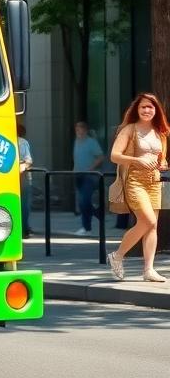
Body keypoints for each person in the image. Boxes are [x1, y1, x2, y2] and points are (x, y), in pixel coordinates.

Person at [106, 93, 169, 283]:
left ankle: (148, 270)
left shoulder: (160, 132)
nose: (147, 110)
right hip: (134, 181)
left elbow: (161, 158)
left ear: (156, 110)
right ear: (137, 109)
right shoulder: (129, 130)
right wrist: (137, 160)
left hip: (154, 181)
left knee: (152, 226)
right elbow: (115, 156)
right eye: (143, 107)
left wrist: (162, 164)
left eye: (151, 107)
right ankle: (117, 256)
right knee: (147, 220)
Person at [72, 121, 105, 235]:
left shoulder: (91, 142)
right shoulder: (76, 142)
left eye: (80, 129)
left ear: (85, 130)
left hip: (89, 176)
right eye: (77, 129)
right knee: (82, 202)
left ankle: (86, 227)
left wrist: (91, 168)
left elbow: (100, 157)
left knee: (84, 201)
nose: (78, 132)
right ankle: (97, 214)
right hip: (78, 174)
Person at [17, 122, 33, 238]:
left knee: (22, 203)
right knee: (24, 204)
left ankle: (22, 228)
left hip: (20, 176)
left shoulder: (21, 142)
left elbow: (28, 161)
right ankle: (24, 229)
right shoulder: (23, 142)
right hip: (23, 176)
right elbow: (28, 161)